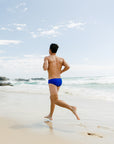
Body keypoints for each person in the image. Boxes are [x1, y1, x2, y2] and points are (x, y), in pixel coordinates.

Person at [43, 43, 80, 120]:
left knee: (55, 100)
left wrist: (44, 63)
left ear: (49, 50)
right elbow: (68, 66)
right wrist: (61, 71)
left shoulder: (47, 58)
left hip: (52, 80)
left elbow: (45, 68)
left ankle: (72, 108)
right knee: (52, 98)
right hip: (59, 80)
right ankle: (50, 115)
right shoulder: (61, 59)